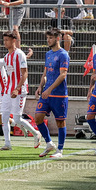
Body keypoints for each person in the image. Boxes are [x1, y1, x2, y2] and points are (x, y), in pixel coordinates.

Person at [0, 31, 42, 151]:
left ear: (14, 40)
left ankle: (36, 133)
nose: (5, 42)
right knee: (4, 116)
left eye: (7, 40)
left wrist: (17, 88)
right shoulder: (7, 57)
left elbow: (25, 73)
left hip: (19, 90)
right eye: (4, 40)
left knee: (17, 118)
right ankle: (7, 144)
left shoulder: (19, 54)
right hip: (8, 90)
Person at [35, 29, 70, 159]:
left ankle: (60, 149)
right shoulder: (48, 54)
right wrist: (40, 86)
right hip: (46, 93)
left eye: (50, 38)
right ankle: (49, 143)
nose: (48, 40)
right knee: (38, 118)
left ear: (57, 39)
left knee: (60, 122)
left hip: (59, 95)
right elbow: (46, 73)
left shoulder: (63, 54)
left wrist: (49, 89)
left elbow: (63, 75)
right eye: (47, 38)